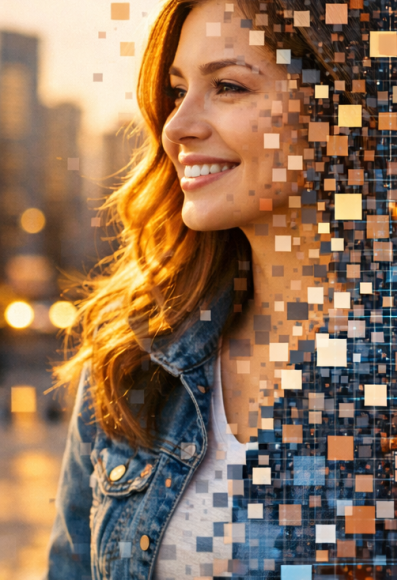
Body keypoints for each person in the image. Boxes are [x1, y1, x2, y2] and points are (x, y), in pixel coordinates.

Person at [45, 0, 368, 577]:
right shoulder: (135, 355)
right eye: (176, 91)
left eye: (227, 86)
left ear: (338, 108)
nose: (176, 125)